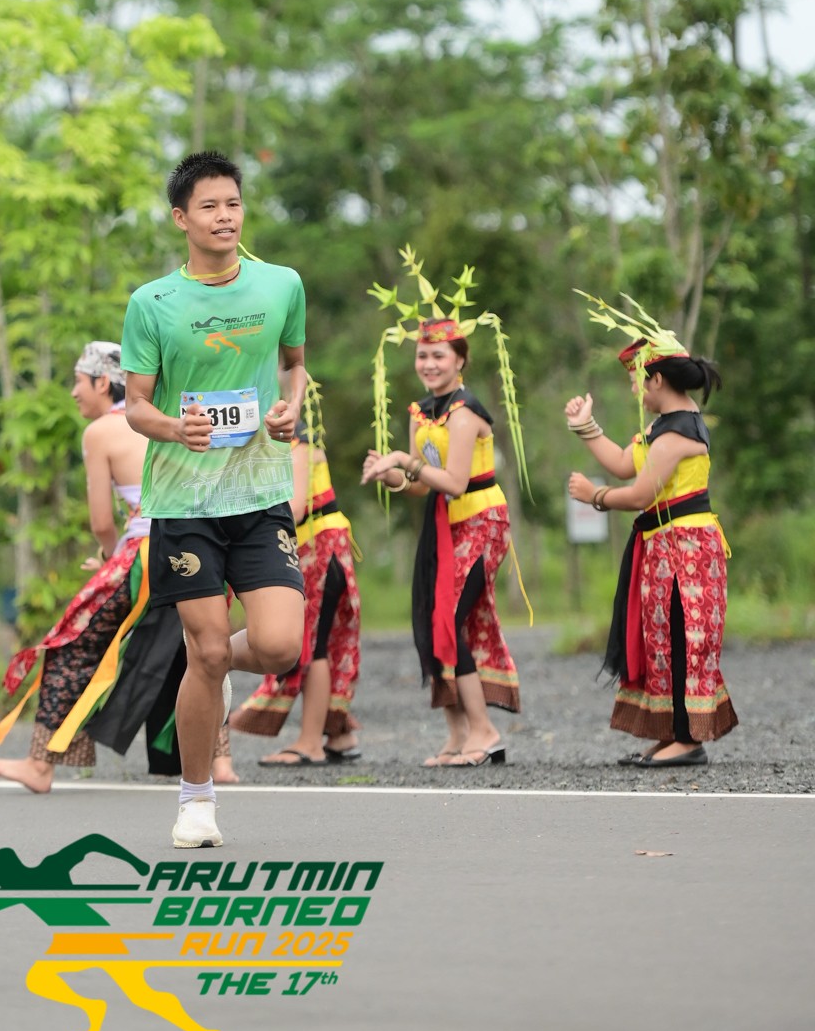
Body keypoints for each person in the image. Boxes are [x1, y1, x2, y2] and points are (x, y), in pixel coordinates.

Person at [122, 149, 307, 849]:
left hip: (260, 493)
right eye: (209, 206)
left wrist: (290, 407)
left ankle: (214, 665)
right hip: (184, 501)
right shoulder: (152, 303)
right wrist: (178, 427)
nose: (225, 216)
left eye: (233, 203)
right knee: (203, 651)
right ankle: (196, 800)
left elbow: (294, 366)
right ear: (181, 218)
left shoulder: (282, 285)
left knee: (280, 647)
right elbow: (135, 406)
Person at [0, 342, 235, 790]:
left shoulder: (101, 431)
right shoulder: (173, 416)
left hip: (146, 552)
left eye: (78, 381)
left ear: (103, 383)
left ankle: (40, 765)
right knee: (198, 648)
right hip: (203, 549)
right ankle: (221, 764)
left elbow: (101, 522)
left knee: (71, 643)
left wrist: (107, 555)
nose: (74, 392)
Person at [566, 299, 737, 766]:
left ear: (657, 379)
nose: (636, 390)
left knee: (683, 638)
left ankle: (688, 739)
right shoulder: (661, 428)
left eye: (637, 380)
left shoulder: (679, 433)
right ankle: (670, 734)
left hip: (686, 550)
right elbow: (625, 463)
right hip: (665, 548)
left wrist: (595, 496)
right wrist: (586, 428)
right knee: (662, 639)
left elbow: (640, 493)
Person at [363, 286, 527, 768]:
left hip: (480, 519)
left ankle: (485, 731)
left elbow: (454, 481)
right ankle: (457, 735)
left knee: (451, 618)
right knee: (431, 620)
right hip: (443, 523)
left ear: (460, 360)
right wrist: (391, 475)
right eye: (422, 355)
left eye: (439, 356)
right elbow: (421, 485)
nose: (429, 364)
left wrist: (402, 460)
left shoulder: (465, 411)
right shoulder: (422, 412)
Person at [231, 385, 362, 766]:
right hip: (310, 547)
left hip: (318, 546)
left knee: (316, 646)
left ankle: (310, 743)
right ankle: (338, 734)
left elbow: (296, 506)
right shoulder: (275, 437)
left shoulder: (296, 437)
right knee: (321, 643)